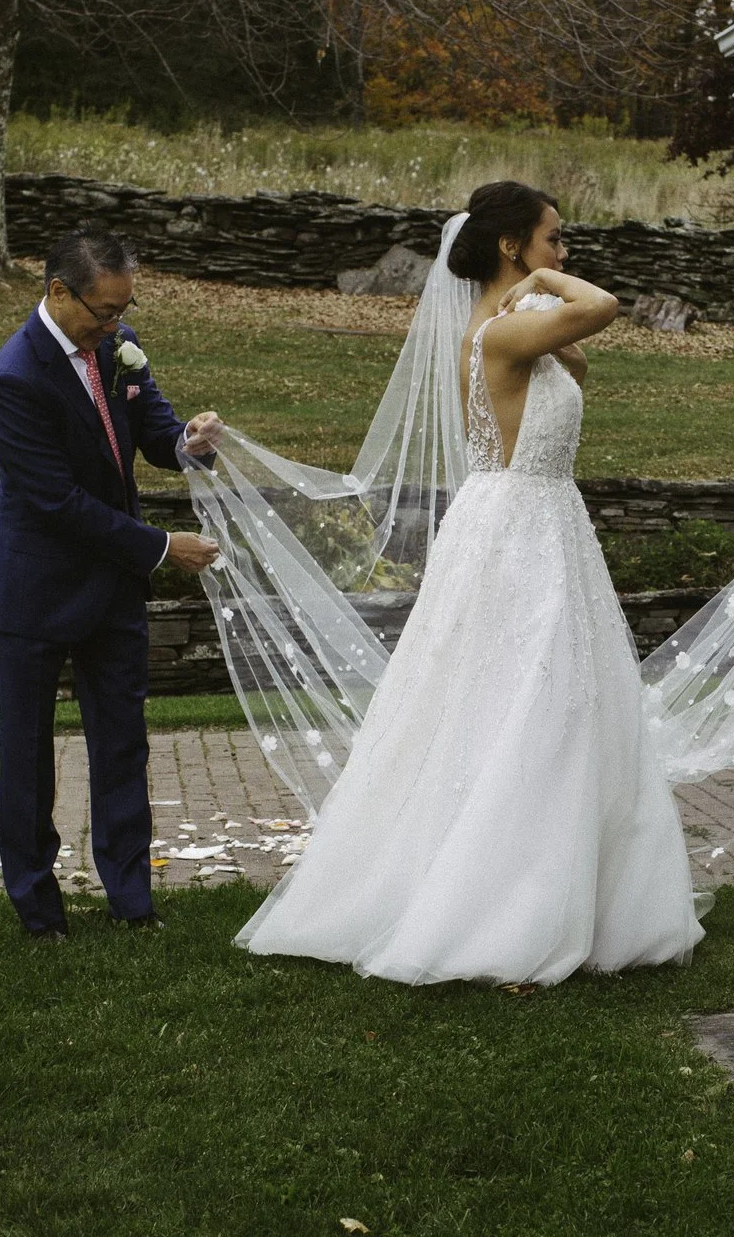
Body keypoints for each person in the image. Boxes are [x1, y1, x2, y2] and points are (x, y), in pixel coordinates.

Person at [234, 182, 703, 984]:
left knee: (567, 703)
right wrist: (546, 287)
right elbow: (606, 305)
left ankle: (583, 896)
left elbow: (581, 354)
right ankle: (497, 901)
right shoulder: (500, 335)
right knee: (518, 703)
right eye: (554, 240)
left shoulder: (516, 333)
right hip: (516, 527)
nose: (565, 252)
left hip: (547, 522)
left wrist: (541, 291)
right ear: (512, 246)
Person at [0, 230, 226, 938]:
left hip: (114, 588)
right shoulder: (14, 376)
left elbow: (155, 433)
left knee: (122, 743)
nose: (115, 324)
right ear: (58, 291)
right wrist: (160, 546)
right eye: (104, 311)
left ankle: (131, 899)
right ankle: (36, 903)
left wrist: (190, 442)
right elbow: (56, 502)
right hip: (37, 588)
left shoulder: (122, 347)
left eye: (124, 309)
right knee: (26, 756)